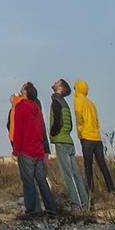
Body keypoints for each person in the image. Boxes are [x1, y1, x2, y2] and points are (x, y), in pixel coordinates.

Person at [11, 81, 57, 218]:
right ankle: (51, 209)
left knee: (28, 181)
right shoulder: (37, 109)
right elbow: (41, 129)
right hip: (38, 150)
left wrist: (15, 151)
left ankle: (33, 210)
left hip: (26, 150)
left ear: (25, 92)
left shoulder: (20, 107)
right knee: (42, 181)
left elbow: (18, 130)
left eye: (22, 89)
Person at [49, 79, 90, 209]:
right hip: (68, 139)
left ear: (60, 88)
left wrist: (54, 133)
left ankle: (76, 204)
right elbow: (70, 124)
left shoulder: (56, 101)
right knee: (75, 173)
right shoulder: (65, 103)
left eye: (57, 82)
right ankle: (85, 202)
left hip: (61, 140)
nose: (54, 83)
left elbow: (57, 120)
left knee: (68, 175)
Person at [73, 78, 115, 195]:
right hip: (97, 137)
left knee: (88, 166)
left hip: (86, 137)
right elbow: (97, 121)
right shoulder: (91, 103)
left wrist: (80, 134)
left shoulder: (78, 101)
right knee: (102, 164)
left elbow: (79, 118)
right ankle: (111, 188)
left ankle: (91, 191)